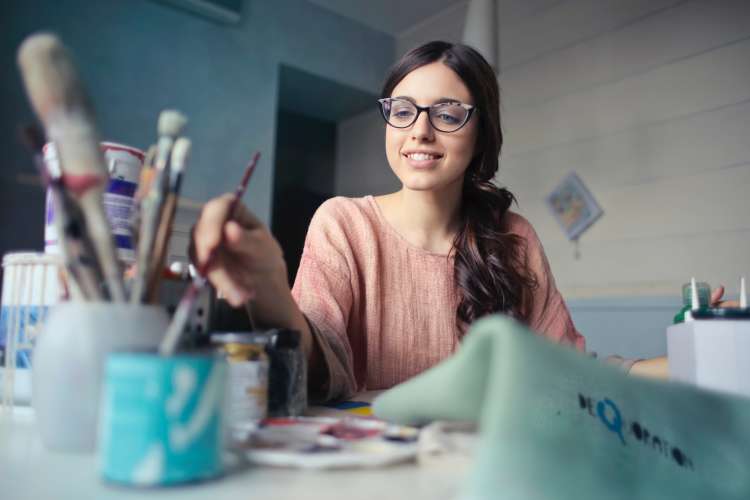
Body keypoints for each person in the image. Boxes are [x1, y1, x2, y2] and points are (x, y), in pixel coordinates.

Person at [191, 41, 729, 401]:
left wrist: (699, 350)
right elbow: (317, 366)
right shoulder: (343, 224)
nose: (420, 131)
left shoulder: (513, 239)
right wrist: (269, 292)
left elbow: (568, 374)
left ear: (480, 135)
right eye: (403, 110)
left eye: (448, 114)